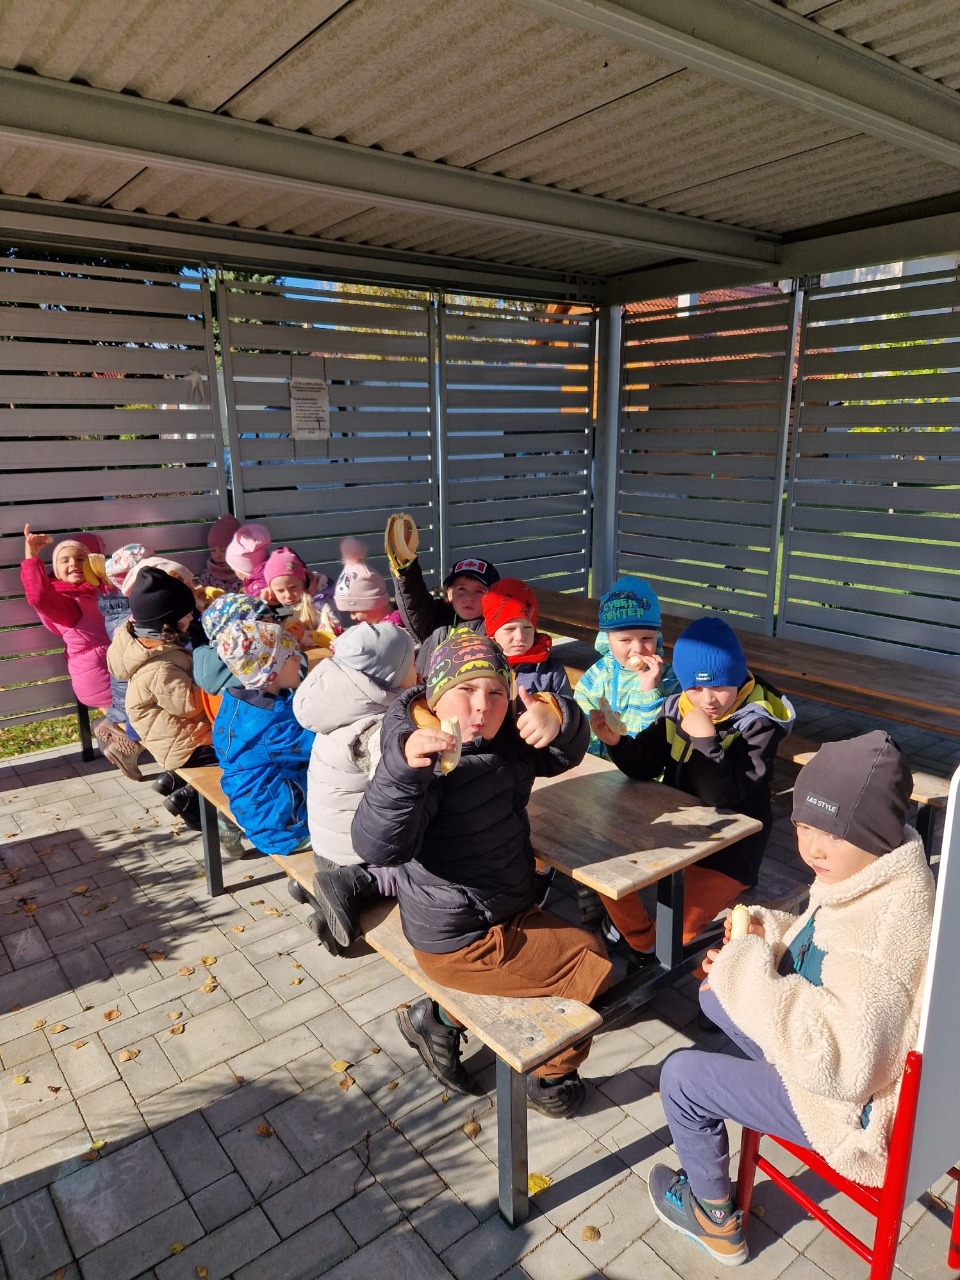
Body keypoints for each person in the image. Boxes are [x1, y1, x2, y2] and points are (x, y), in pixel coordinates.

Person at [648, 731, 934, 1268]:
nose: (813, 848)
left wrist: (749, 968)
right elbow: (820, 946)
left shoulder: (881, 934)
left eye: (833, 833)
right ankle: (746, 1075)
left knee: (682, 1078)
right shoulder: (874, 870)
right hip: (846, 1060)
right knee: (713, 996)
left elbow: (844, 1065)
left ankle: (714, 1220)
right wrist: (769, 934)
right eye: (804, 825)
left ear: (874, 832)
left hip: (849, 1112)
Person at [351, 627, 611, 1116]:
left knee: (570, 943)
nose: (481, 707)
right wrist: (404, 771)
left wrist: (557, 715)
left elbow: (561, 755)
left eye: (495, 693)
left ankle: (438, 1019)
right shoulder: (421, 758)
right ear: (434, 697)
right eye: (465, 690)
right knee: (589, 961)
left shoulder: (504, 735)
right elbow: (378, 846)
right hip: (460, 939)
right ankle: (551, 1077)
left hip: (502, 905)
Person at [591, 615, 795, 969]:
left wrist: (705, 741)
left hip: (730, 852)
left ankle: (691, 970)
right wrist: (617, 742)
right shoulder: (676, 707)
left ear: (739, 678)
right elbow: (644, 764)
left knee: (679, 934)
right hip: (677, 838)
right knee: (602, 872)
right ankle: (643, 943)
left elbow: (724, 798)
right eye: (696, 689)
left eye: (720, 686)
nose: (708, 700)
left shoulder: (757, 724)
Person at [292, 621, 418, 952]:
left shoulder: (343, 703)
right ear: (391, 675)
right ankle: (357, 887)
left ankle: (322, 909)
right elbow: (401, 786)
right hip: (353, 858)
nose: (417, 668)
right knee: (425, 871)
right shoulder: (373, 728)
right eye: (412, 663)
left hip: (327, 845)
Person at [19, 524, 142, 776]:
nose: (74, 564)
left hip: (115, 671)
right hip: (99, 675)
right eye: (65, 560)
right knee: (143, 719)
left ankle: (120, 744)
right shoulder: (66, 603)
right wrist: (31, 557)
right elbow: (39, 597)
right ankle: (113, 732)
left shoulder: (97, 591)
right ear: (56, 571)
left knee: (141, 718)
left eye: (80, 559)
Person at [107, 567, 216, 831]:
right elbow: (190, 705)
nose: (192, 617)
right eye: (187, 615)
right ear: (169, 625)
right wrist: (213, 677)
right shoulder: (160, 668)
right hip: (183, 744)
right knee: (236, 751)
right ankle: (190, 800)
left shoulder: (144, 645)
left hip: (170, 733)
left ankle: (172, 781)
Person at [211, 598, 316, 858]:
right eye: (290, 656)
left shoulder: (240, 704)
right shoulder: (269, 729)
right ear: (271, 671)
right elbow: (322, 744)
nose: (299, 659)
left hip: (259, 808)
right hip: (285, 828)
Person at [573, 575, 680, 759]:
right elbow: (582, 704)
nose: (638, 648)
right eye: (625, 640)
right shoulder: (600, 673)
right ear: (607, 639)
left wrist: (650, 692)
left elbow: (660, 740)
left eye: (647, 638)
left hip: (644, 769)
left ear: (657, 636)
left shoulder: (670, 680)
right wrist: (596, 730)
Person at [261, 546, 331, 647]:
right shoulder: (272, 610)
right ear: (272, 590)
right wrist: (265, 607)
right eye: (280, 591)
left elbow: (332, 639)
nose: (288, 595)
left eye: (293, 587)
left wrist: (304, 637)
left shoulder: (320, 603)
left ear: (303, 582)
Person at [333, 539, 403, 627]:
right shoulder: (369, 625)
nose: (352, 617)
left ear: (374, 604)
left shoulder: (395, 628)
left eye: (354, 611)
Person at [225, 522, 272, 597]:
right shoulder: (261, 579)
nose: (235, 573)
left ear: (245, 571)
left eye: (235, 570)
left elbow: (253, 604)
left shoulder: (258, 588)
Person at [199, 513, 242, 591]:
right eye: (213, 550)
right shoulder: (208, 575)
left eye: (223, 551)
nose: (217, 556)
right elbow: (200, 593)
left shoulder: (243, 574)